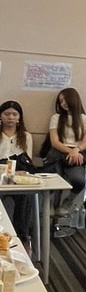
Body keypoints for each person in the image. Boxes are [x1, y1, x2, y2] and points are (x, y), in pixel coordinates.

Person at [45, 87, 86, 214]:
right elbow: (54, 142)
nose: (63, 103)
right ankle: (49, 204)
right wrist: (70, 151)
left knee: (79, 181)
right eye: (61, 101)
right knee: (52, 179)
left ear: (74, 99)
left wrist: (76, 150)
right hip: (58, 151)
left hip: (78, 152)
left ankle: (68, 202)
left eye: (66, 100)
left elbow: (85, 142)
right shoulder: (56, 118)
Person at [0, 100, 36, 247]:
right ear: (0, 116)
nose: (10, 117)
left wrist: (19, 172)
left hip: (19, 178)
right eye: (6, 114)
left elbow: (28, 160)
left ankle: (22, 236)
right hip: (0, 177)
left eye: (14, 114)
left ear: (19, 117)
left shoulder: (26, 136)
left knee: (25, 197)